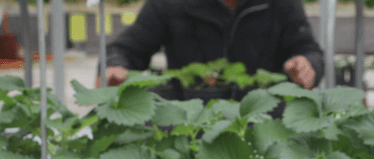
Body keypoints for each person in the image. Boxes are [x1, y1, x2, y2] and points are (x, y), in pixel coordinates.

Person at [97, 0, 324, 89]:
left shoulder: (281, 4)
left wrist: (307, 65)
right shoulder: (170, 3)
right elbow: (125, 48)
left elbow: (308, 50)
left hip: (265, 121)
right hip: (187, 122)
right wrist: (114, 66)